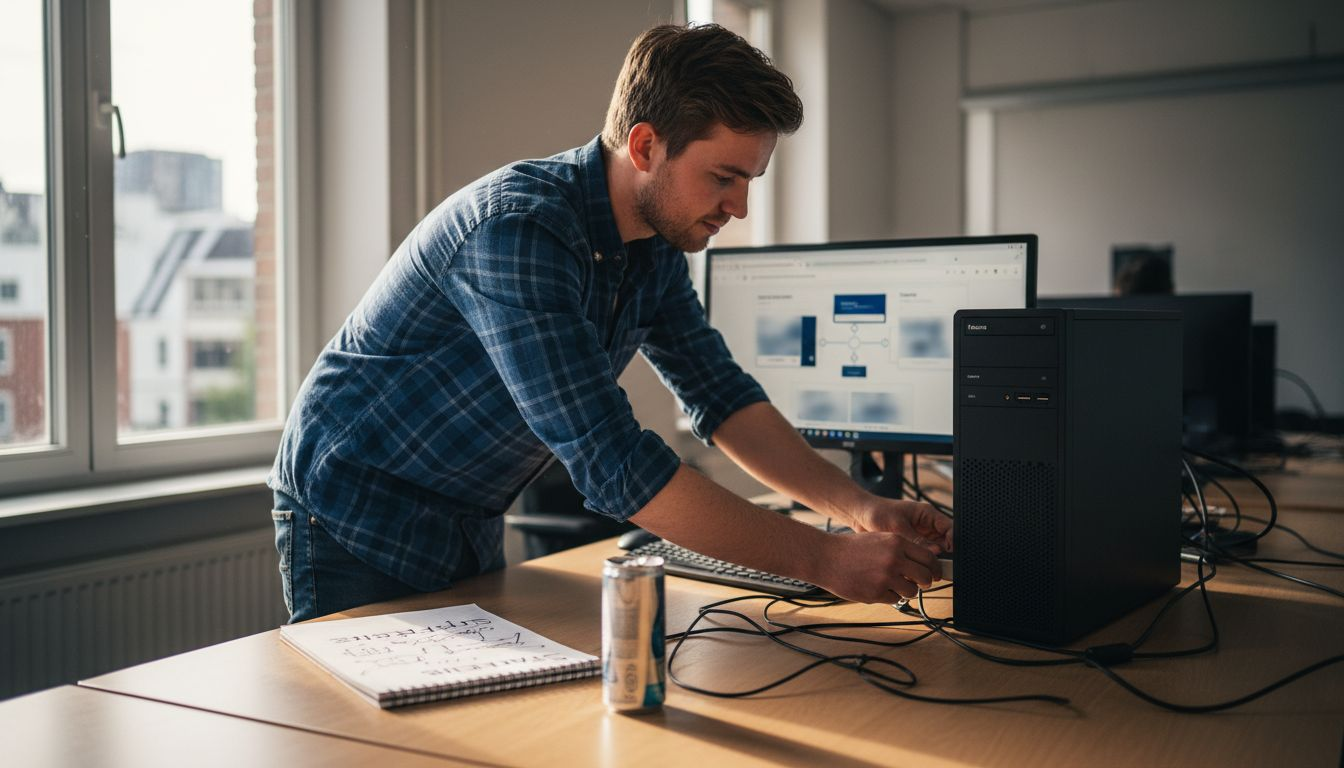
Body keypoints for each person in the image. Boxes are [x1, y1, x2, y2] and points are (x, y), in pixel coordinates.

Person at [269, 23, 952, 623]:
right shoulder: (518, 230)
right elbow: (612, 464)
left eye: (750, 181)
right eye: (723, 177)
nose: (738, 207)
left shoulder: (655, 248)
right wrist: (824, 560)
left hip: (465, 514)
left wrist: (859, 508)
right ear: (646, 145)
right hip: (353, 509)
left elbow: (720, 395)